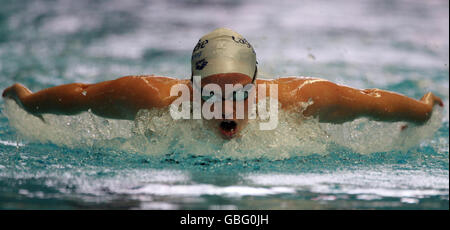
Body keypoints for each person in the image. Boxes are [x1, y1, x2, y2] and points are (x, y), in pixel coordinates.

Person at [2, 28, 443, 139]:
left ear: (257, 83)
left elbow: (367, 102)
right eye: (213, 94)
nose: (229, 108)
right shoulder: (154, 97)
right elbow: (82, 97)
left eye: (241, 93)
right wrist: (29, 100)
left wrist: (423, 111)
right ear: (192, 87)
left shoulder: (297, 100)